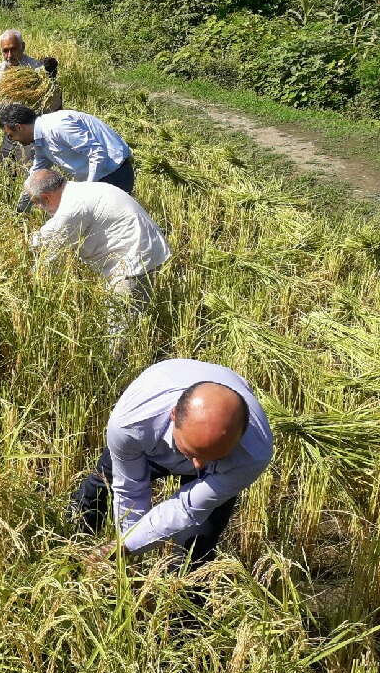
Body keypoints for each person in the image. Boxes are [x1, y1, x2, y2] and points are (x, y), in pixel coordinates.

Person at [76, 359, 274, 570]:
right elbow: (131, 491)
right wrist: (126, 551)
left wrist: (126, 547)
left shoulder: (253, 454)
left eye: (213, 455)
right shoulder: (131, 423)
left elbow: (185, 508)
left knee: (196, 550)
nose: (198, 466)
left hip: (218, 465)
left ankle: (184, 598)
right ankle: (71, 548)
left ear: (239, 437)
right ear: (173, 415)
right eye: (192, 451)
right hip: (149, 446)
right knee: (97, 489)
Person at [24, 170, 170, 314]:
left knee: (120, 324)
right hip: (140, 251)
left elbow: (49, 245)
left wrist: (30, 276)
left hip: (133, 262)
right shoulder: (79, 190)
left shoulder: (73, 207)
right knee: (120, 315)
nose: (39, 208)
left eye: (37, 203)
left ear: (46, 197)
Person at [0, 104, 136, 194]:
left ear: (19, 127)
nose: (14, 140)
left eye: (12, 135)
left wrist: (89, 190)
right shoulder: (40, 139)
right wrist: (22, 208)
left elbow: (97, 153)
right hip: (100, 178)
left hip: (115, 174)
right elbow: (37, 171)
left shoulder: (57, 126)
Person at [0, 30, 61, 134]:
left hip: (34, 131)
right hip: (11, 130)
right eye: (5, 51)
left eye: (13, 49)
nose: (9, 55)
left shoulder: (37, 71)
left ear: (23, 47)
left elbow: (52, 103)